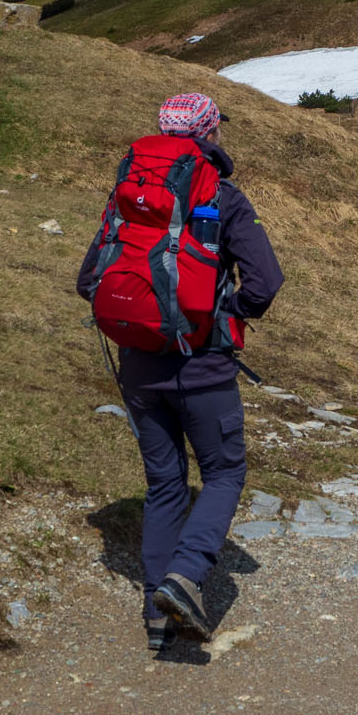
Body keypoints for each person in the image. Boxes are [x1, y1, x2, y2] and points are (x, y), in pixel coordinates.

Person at [76, 92, 283, 651]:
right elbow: (264, 283)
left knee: (165, 483)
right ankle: (186, 576)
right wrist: (225, 317)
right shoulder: (226, 198)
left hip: (138, 367)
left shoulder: (129, 196)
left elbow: (88, 280)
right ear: (209, 134)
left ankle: (156, 615)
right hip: (203, 369)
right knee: (223, 475)